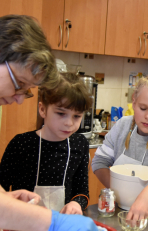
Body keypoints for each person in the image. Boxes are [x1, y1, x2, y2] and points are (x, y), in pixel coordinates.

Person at [0, 14, 99, 231]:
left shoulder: (77, 145)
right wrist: (53, 223)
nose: (19, 98)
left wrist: (5, 198)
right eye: (19, 84)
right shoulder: (23, 143)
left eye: (27, 90)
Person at [92, 76, 148, 221]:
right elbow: (99, 162)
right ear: (134, 103)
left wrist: (147, 195)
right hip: (119, 210)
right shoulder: (122, 125)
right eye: (143, 108)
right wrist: (122, 192)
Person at [0, 72, 92, 215]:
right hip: (21, 225)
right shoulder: (21, 144)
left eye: (77, 116)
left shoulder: (79, 144)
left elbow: (82, 191)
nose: (69, 123)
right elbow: (2, 189)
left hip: (60, 226)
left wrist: (76, 203)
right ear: (42, 109)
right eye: (61, 113)